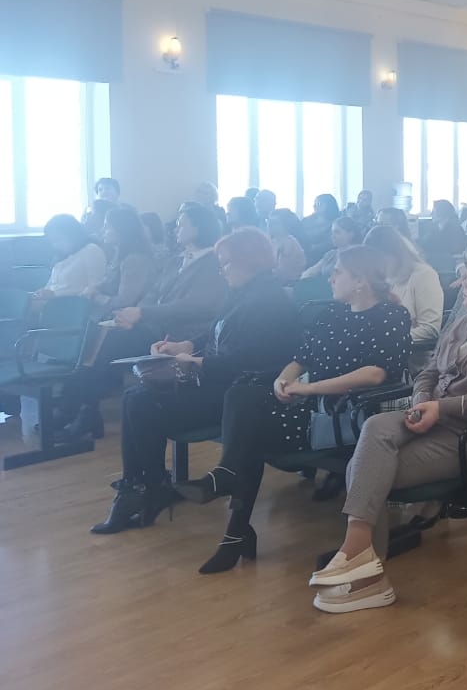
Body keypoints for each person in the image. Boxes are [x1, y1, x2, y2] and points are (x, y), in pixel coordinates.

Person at [308, 250, 467, 612]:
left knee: (361, 469)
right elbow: (429, 372)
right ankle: (364, 562)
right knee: (375, 427)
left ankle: (364, 567)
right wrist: (421, 401)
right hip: (429, 416)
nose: (462, 282)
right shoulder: (464, 321)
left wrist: (440, 408)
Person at [185, 245, 410, 574]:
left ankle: (235, 527)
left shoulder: (391, 315)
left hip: (350, 417)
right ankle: (230, 493)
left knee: (249, 432)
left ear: (361, 280)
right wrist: (283, 379)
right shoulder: (333, 313)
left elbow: (376, 373)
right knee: (241, 396)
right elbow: (301, 358)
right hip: (313, 412)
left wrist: (307, 388)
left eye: (338, 272)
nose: (330, 277)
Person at [90, 228, 302, 534]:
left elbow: (245, 362)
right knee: (135, 398)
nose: (222, 270)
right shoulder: (243, 292)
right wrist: (186, 346)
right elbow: (215, 332)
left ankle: (144, 489)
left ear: (248, 261)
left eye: (226, 262)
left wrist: (195, 362)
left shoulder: (270, 303)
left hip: (241, 396)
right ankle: (142, 486)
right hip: (220, 383)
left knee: (142, 404)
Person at [55, 204, 227, 440]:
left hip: (185, 334)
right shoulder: (177, 260)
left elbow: (193, 306)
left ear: (198, 228)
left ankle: (80, 410)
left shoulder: (213, 262)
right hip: (156, 328)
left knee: (109, 342)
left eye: (182, 224)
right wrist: (132, 315)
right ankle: (82, 410)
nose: (175, 229)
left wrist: (142, 313)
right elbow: (153, 292)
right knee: (100, 334)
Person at [364, 225, 444, 347]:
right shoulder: (382, 277)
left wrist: (387, 339)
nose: (376, 267)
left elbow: (430, 329)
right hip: (378, 349)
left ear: (395, 255)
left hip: (410, 352)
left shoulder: (424, 275)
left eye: (378, 260)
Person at [85, 206, 156, 314]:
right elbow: (109, 282)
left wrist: (96, 297)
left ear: (121, 230)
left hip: (127, 317)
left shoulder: (135, 260)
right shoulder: (120, 255)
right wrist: (95, 288)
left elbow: (125, 301)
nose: (102, 230)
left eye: (107, 227)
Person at [34, 215, 107, 300]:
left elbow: (95, 288)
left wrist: (55, 294)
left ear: (72, 235)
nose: (55, 245)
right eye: (53, 241)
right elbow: (50, 286)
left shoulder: (91, 250)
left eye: (58, 240)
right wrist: (42, 293)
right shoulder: (61, 257)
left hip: (74, 304)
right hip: (52, 302)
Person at [422, 200, 467, 266]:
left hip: (447, 265)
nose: (431, 214)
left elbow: (454, 252)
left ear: (442, 212)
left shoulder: (456, 230)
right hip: (433, 261)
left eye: (434, 211)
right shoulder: (435, 228)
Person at [267, 208, 308, 283]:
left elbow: (283, 271)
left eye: (275, 223)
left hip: (289, 283)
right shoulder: (272, 241)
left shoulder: (289, 242)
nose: (270, 225)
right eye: (269, 221)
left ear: (286, 225)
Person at [302, 194, 342, 262]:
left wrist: (312, 247)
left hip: (324, 256)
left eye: (319, 203)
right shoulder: (306, 220)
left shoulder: (336, 222)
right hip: (304, 252)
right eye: (314, 204)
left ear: (328, 205)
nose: (315, 206)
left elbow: (330, 242)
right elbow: (300, 234)